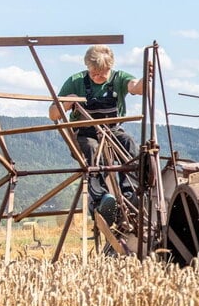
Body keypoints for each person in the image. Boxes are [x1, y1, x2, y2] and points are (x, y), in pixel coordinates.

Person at [49, 45, 145, 222]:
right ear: (88, 67)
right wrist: (66, 103)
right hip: (85, 133)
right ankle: (101, 201)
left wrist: (147, 79)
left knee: (129, 143)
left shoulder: (119, 78)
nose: (98, 77)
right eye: (94, 73)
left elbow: (136, 88)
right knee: (91, 149)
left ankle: (130, 193)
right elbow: (53, 114)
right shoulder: (76, 81)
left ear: (110, 68)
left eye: (102, 73)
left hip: (113, 131)